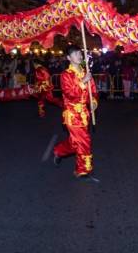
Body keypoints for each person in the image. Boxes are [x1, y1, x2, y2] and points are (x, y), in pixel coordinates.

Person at [53, 45, 99, 181]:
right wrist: (83, 82)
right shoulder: (66, 75)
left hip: (85, 114)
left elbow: (94, 91)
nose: (79, 55)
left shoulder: (86, 72)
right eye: (75, 54)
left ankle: (59, 151)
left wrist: (93, 102)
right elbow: (70, 93)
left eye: (79, 53)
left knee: (75, 143)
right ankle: (83, 170)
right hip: (72, 114)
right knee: (84, 141)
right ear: (68, 58)